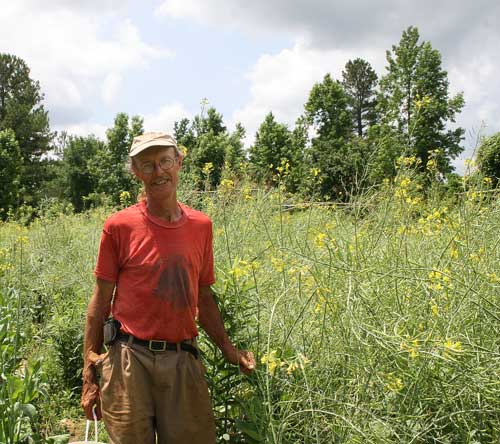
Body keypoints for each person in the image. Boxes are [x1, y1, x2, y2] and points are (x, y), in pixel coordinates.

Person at [81, 132, 255, 444]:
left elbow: (203, 295)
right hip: (128, 359)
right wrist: (89, 373)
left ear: (179, 163)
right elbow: (100, 301)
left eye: (165, 162)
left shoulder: (201, 226)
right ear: (135, 171)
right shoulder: (119, 226)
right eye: (147, 165)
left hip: (182, 358)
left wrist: (230, 350)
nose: (159, 172)